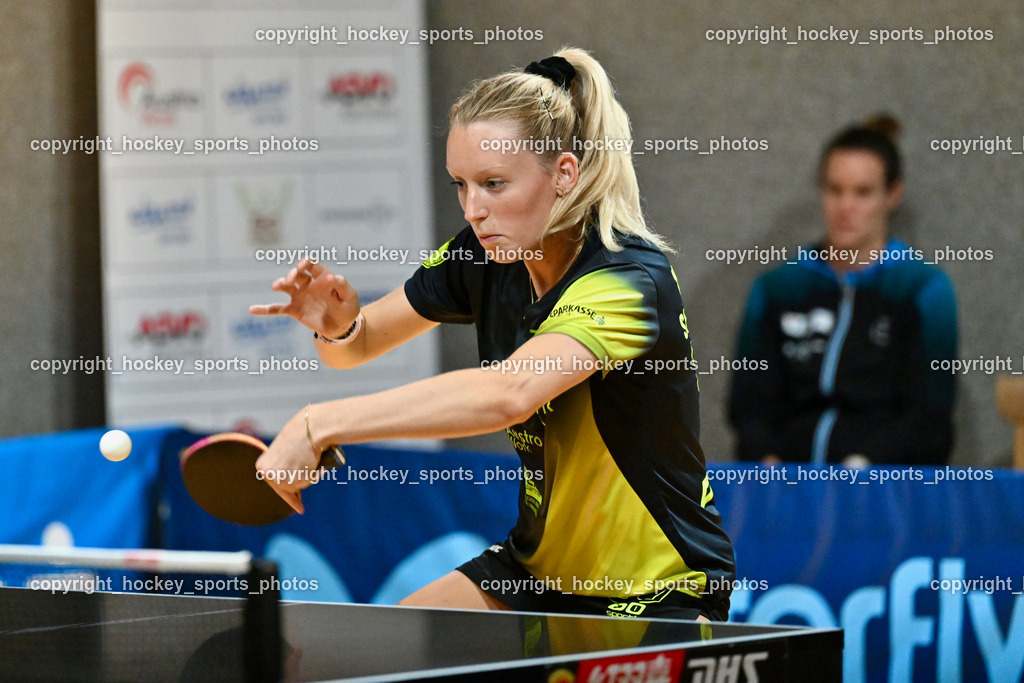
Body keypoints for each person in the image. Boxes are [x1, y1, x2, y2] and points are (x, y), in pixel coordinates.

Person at [250, 48, 735, 621]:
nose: (473, 209)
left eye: (494, 184)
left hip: (657, 587)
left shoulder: (628, 280)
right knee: (384, 644)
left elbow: (509, 393)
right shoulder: (484, 256)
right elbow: (359, 345)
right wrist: (337, 327)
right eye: (461, 184)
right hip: (535, 572)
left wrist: (319, 424)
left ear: (564, 174)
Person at [728, 115, 958, 466]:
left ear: (892, 195)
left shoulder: (923, 289)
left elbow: (930, 419)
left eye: (863, 192)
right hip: (788, 482)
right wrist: (768, 464)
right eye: (834, 190)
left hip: (879, 484)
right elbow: (749, 407)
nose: (845, 207)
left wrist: (859, 471)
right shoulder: (779, 287)